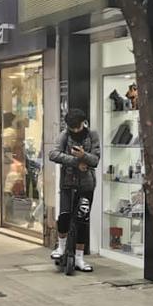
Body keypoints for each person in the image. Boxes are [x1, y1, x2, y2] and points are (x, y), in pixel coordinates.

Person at [49, 109, 101, 272]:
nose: (75, 131)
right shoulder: (64, 135)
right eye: (72, 128)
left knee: (82, 220)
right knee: (64, 215)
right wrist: (75, 161)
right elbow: (53, 154)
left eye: (77, 127)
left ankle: (79, 257)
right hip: (67, 183)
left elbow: (96, 160)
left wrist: (84, 155)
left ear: (83, 123)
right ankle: (61, 247)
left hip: (86, 185)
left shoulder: (92, 135)